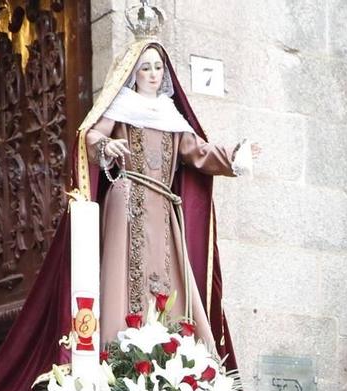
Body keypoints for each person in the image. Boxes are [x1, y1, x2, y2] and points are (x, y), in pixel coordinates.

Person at [80, 39, 257, 355]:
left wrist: (235, 154)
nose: (152, 74)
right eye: (145, 68)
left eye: (158, 67)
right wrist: (107, 147)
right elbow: (92, 135)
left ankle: (170, 352)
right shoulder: (120, 107)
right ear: (134, 73)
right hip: (127, 198)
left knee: (167, 277)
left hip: (162, 205)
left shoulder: (170, 115)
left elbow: (197, 152)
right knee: (124, 277)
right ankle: (117, 353)